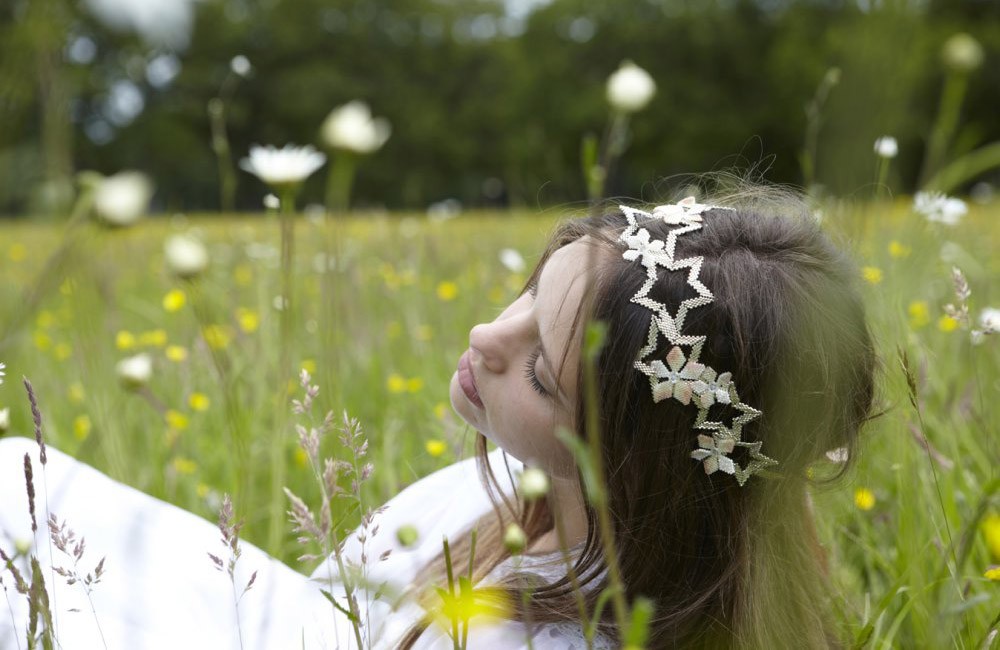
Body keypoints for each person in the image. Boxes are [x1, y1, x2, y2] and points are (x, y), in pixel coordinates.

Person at [0, 190, 877, 649]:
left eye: (537, 371)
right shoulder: (499, 499)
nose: (483, 337)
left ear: (632, 466)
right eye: (530, 292)